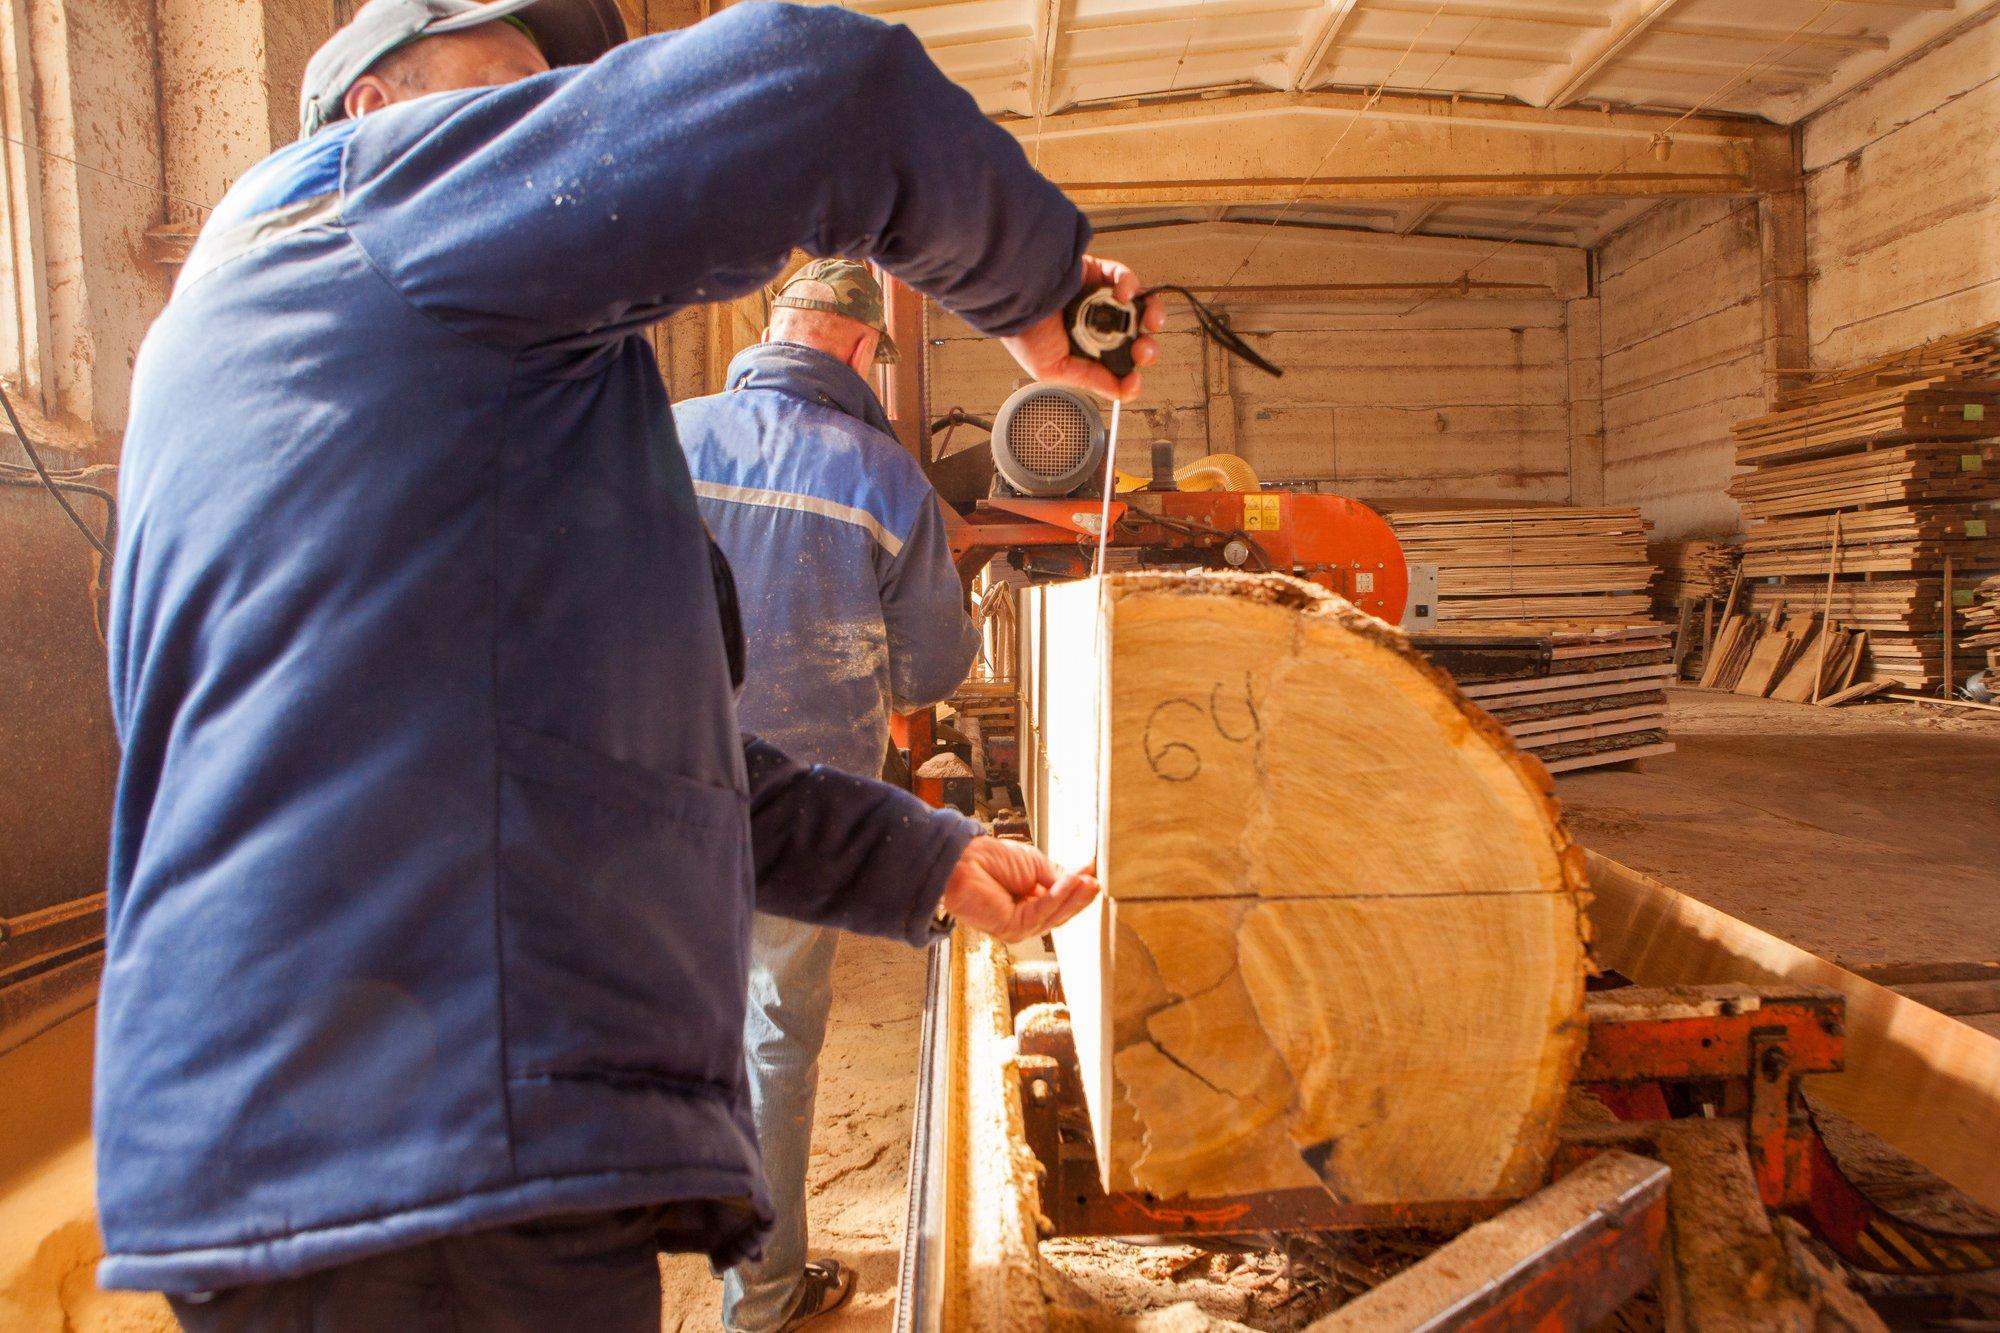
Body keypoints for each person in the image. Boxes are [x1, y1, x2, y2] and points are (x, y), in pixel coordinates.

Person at [98, 0, 1160, 1327]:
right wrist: (1045, 291)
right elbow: (832, 93)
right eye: (509, 91)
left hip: (373, 1123)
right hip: (418, 1128)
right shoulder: (366, 214)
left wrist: (921, 858)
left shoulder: (337, 367)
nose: (549, 119)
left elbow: (604, 761)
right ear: (370, 108)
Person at [674, 259, 981, 1330]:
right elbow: (928, 671)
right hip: (799, 818)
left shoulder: (659, 436)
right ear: (858, 349)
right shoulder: (884, 476)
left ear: (775, 328)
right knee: (770, 1038)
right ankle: (760, 1299)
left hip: (637, 794)